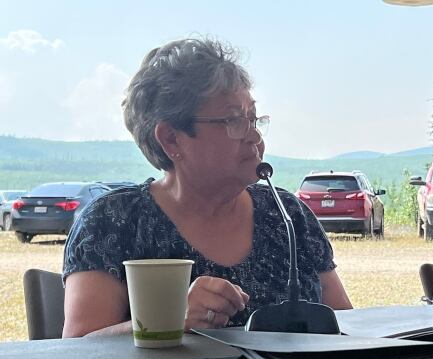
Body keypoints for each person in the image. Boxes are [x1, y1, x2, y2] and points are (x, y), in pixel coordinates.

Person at [62, 38, 352, 337]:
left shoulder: (289, 215)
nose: (254, 136)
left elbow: (346, 327)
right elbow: (78, 348)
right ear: (172, 139)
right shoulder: (114, 221)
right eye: (234, 120)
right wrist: (167, 319)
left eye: (253, 118)